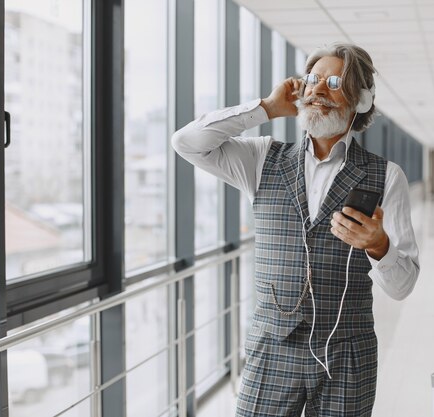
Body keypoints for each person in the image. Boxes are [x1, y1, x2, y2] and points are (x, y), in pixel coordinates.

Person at [172, 43, 419, 417]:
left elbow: (402, 287)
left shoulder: (387, 176)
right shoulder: (260, 158)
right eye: (312, 80)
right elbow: (186, 142)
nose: (318, 90)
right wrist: (266, 108)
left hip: (347, 354)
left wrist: (379, 245)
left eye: (334, 82)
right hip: (272, 347)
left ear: (362, 99)